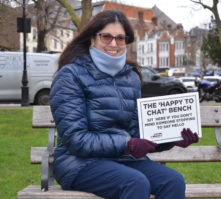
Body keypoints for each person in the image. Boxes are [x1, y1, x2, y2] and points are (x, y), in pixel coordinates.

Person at [49, 10, 199, 199]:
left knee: (173, 180)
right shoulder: (70, 75)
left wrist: (170, 137)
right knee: (134, 182)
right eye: (106, 37)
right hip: (78, 162)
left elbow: (136, 133)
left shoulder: (130, 77)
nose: (113, 43)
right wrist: (127, 146)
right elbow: (75, 139)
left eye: (120, 38)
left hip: (123, 159)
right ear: (92, 39)